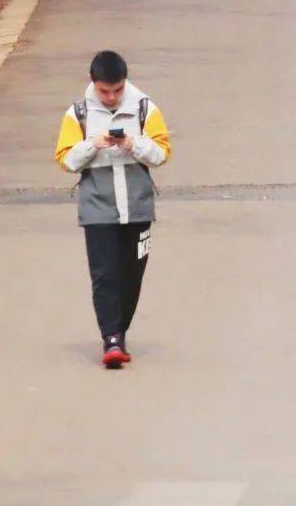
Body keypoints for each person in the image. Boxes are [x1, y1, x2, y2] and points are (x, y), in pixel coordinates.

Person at [54, 49, 171, 370]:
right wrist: (94, 144)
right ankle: (112, 339)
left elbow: (161, 153)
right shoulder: (77, 114)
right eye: (105, 91)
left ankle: (120, 329)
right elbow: (65, 160)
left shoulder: (145, 108)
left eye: (117, 90)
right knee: (104, 275)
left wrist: (133, 143)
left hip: (137, 205)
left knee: (132, 275)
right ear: (93, 84)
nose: (111, 97)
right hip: (97, 206)